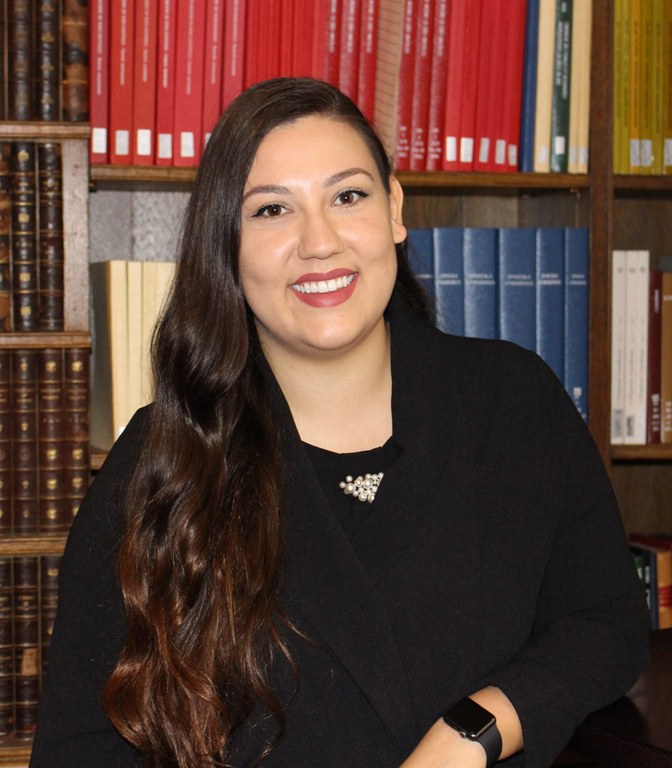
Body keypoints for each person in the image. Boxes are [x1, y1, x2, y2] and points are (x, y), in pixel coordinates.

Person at [30, 77, 649, 768]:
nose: (318, 242)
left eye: (348, 196)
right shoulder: (162, 458)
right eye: (271, 211)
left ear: (394, 210)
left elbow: (605, 624)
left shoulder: (513, 402)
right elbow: (80, 746)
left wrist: (475, 728)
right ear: (226, 247)